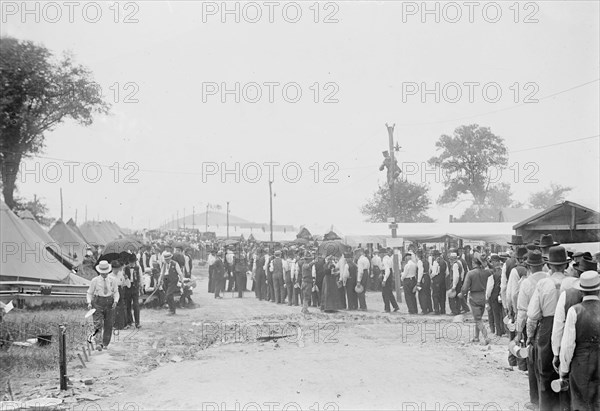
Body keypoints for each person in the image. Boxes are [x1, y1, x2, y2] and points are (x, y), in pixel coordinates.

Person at [527, 246, 571, 410]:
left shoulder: (543, 283)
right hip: (569, 325)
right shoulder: (573, 282)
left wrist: (531, 337)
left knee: (545, 370)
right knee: (566, 369)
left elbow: (532, 315)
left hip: (547, 325)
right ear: (566, 265)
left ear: (550, 265)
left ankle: (546, 406)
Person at [559, 270, 600, 411]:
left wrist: (563, 370)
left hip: (581, 365)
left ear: (581, 292)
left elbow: (568, 346)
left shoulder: (574, 311)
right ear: (598, 290)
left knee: (581, 404)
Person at [516, 250, 548, 407]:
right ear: (543, 265)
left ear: (528, 266)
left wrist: (518, 332)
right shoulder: (550, 280)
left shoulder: (526, 283)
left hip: (533, 325)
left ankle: (535, 400)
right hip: (552, 324)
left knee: (533, 362)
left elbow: (522, 311)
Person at [87, 260, 119, 351]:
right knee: (98, 323)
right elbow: (89, 293)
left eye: (106, 273)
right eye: (102, 273)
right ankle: (98, 343)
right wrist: (89, 302)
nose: (104, 274)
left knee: (108, 324)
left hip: (109, 302)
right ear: (100, 272)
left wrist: (116, 301)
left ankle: (105, 343)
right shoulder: (95, 281)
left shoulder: (113, 280)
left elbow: (116, 292)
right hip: (98, 302)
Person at [459, 255, 491, 344]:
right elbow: (494, 270)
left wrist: (461, 294)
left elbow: (465, 287)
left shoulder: (471, 273)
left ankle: (486, 337)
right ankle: (476, 337)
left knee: (477, 319)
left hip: (474, 297)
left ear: (473, 263)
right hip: (483, 296)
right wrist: (487, 262)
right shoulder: (486, 272)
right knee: (479, 317)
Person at [485, 254, 504, 337]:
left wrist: (487, 297)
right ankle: (503, 330)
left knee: (495, 314)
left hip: (494, 296)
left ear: (495, 262)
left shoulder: (492, 273)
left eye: (492, 261)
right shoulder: (503, 271)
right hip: (502, 295)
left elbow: (489, 287)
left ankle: (498, 332)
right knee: (502, 313)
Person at [123, 253, 141, 328]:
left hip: (135, 287)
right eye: (130, 262)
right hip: (127, 288)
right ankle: (129, 321)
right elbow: (123, 279)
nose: (131, 263)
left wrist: (141, 287)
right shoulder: (125, 268)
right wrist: (125, 276)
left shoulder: (138, 267)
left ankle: (137, 322)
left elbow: (140, 277)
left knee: (136, 305)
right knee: (128, 305)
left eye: (133, 262)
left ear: (135, 261)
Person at [110, 260, 126, 330]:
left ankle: (122, 325)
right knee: (115, 308)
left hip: (120, 290)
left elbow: (123, 282)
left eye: (118, 268)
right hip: (113, 291)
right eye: (115, 269)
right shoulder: (110, 276)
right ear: (112, 268)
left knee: (121, 308)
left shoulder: (121, 274)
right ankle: (115, 325)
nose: (117, 270)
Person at [382, 248, 400, 313]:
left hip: (387, 275)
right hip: (389, 275)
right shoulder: (388, 258)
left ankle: (387, 308)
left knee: (385, 293)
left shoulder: (384, 259)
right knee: (389, 292)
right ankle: (395, 306)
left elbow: (387, 270)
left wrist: (384, 280)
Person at [430, 250, 447, 315]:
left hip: (436, 280)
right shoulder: (444, 262)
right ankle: (443, 310)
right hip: (443, 280)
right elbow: (447, 273)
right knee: (442, 295)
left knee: (435, 295)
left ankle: (436, 310)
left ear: (435, 256)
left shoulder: (435, 262)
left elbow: (434, 272)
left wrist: (431, 277)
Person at [416, 250, 432, 314]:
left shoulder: (420, 262)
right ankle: (430, 308)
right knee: (427, 293)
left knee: (422, 294)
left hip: (423, 278)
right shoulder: (427, 261)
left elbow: (420, 272)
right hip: (427, 277)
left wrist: (418, 281)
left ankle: (424, 309)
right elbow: (430, 269)